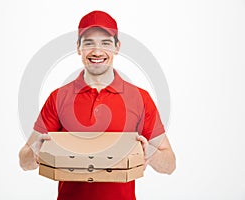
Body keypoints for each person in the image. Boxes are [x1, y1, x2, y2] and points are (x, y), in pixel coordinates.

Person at [19, 10, 176, 200]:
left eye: (106, 43)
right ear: (78, 48)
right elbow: (24, 161)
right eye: (89, 43)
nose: (97, 51)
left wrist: (149, 153)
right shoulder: (58, 98)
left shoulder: (139, 98)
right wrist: (36, 151)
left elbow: (170, 165)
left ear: (117, 47)